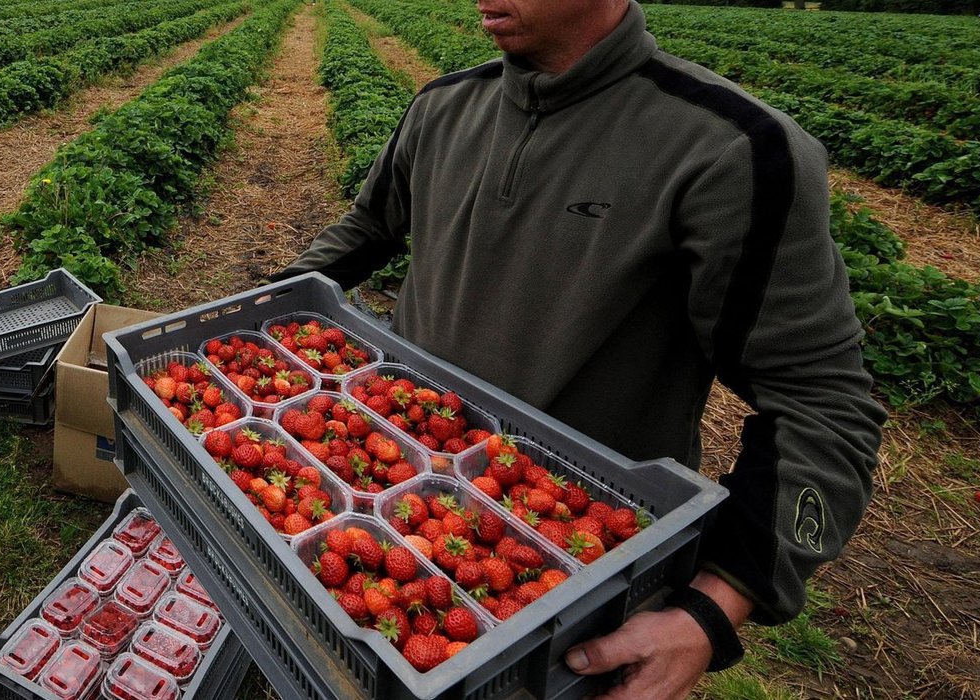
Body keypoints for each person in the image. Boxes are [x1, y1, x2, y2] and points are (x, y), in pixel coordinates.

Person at [270, 0, 886, 697]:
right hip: (387, 482)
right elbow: (368, 225)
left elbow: (821, 400)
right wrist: (257, 304)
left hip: (568, 559)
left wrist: (715, 604)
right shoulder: (443, 107)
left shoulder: (729, 148)